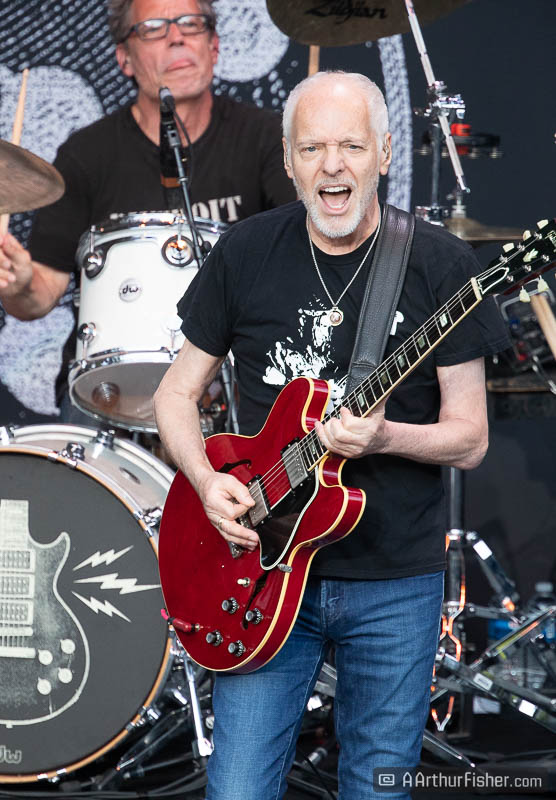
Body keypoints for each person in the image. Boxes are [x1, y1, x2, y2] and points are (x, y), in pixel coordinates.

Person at [153, 71, 510, 799]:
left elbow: (470, 438)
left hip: (394, 580)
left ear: (385, 153)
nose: (332, 165)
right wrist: (205, 481)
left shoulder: (442, 263)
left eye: (351, 145)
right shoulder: (247, 251)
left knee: (378, 787)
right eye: (312, 148)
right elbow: (175, 396)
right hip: (262, 572)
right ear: (288, 161)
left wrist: (385, 439)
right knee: (238, 788)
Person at [0, 0, 295, 415]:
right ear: (124, 57)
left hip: (235, 377)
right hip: (110, 386)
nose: (177, 37)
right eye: (154, 28)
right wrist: (19, 286)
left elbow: (301, 254)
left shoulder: (265, 137)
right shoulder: (87, 154)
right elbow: (41, 292)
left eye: (191, 24)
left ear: (214, 45)